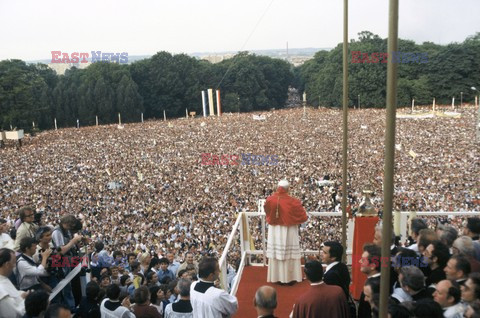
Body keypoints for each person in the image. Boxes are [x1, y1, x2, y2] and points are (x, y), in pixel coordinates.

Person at [264, 180, 308, 284]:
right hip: (289, 230)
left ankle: (276, 277)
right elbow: (303, 215)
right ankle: (289, 278)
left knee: (276, 253)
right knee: (289, 254)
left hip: (274, 230)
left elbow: (266, 211)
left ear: (277, 187)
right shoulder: (293, 201)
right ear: (288, 188)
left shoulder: (270, 199)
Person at [0, 248, 27, 317]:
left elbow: (13, 295)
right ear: (7, 264)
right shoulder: (1, 290)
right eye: (14, 262)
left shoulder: (4, 278)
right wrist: (27, 300)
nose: (14, 266)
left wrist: (21, 294)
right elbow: (15, 314)